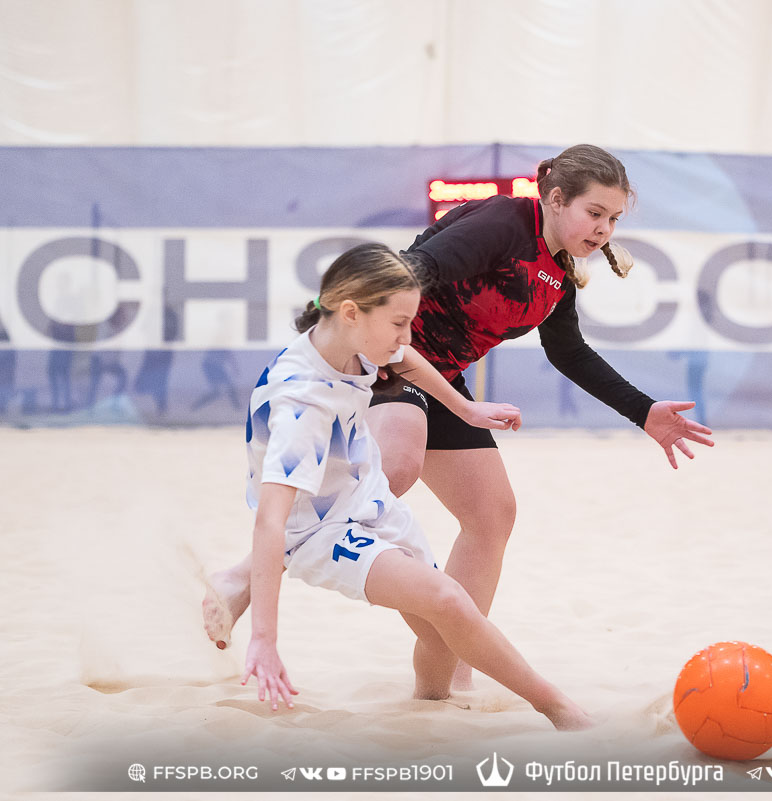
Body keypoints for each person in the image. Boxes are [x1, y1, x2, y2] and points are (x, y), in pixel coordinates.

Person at [207, 144, 714, 693]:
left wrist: (643, 411)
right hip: (391, 356)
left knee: (492, 515)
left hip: (443, 378)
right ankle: (247, 574)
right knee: (397, 466)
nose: (603, 230)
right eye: (594, 213)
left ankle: (452, 669)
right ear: (555, 198)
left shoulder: (559, 270)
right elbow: (416, 268)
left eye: (613, 219)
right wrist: (336, 319)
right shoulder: (504, 222)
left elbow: (568, 352)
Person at [234, 241, 590, 729]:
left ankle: (431, 705)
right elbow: (270, 522)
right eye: (400, 322)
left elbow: (406, 357)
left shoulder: (346, 339)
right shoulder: (304, 403)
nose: (407, 334)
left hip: (368, 497)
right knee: (449, 600)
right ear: (352, 312)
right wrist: (264, 639)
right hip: (318, 531)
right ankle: (559, 709)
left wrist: (465, 409)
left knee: (444, 636)